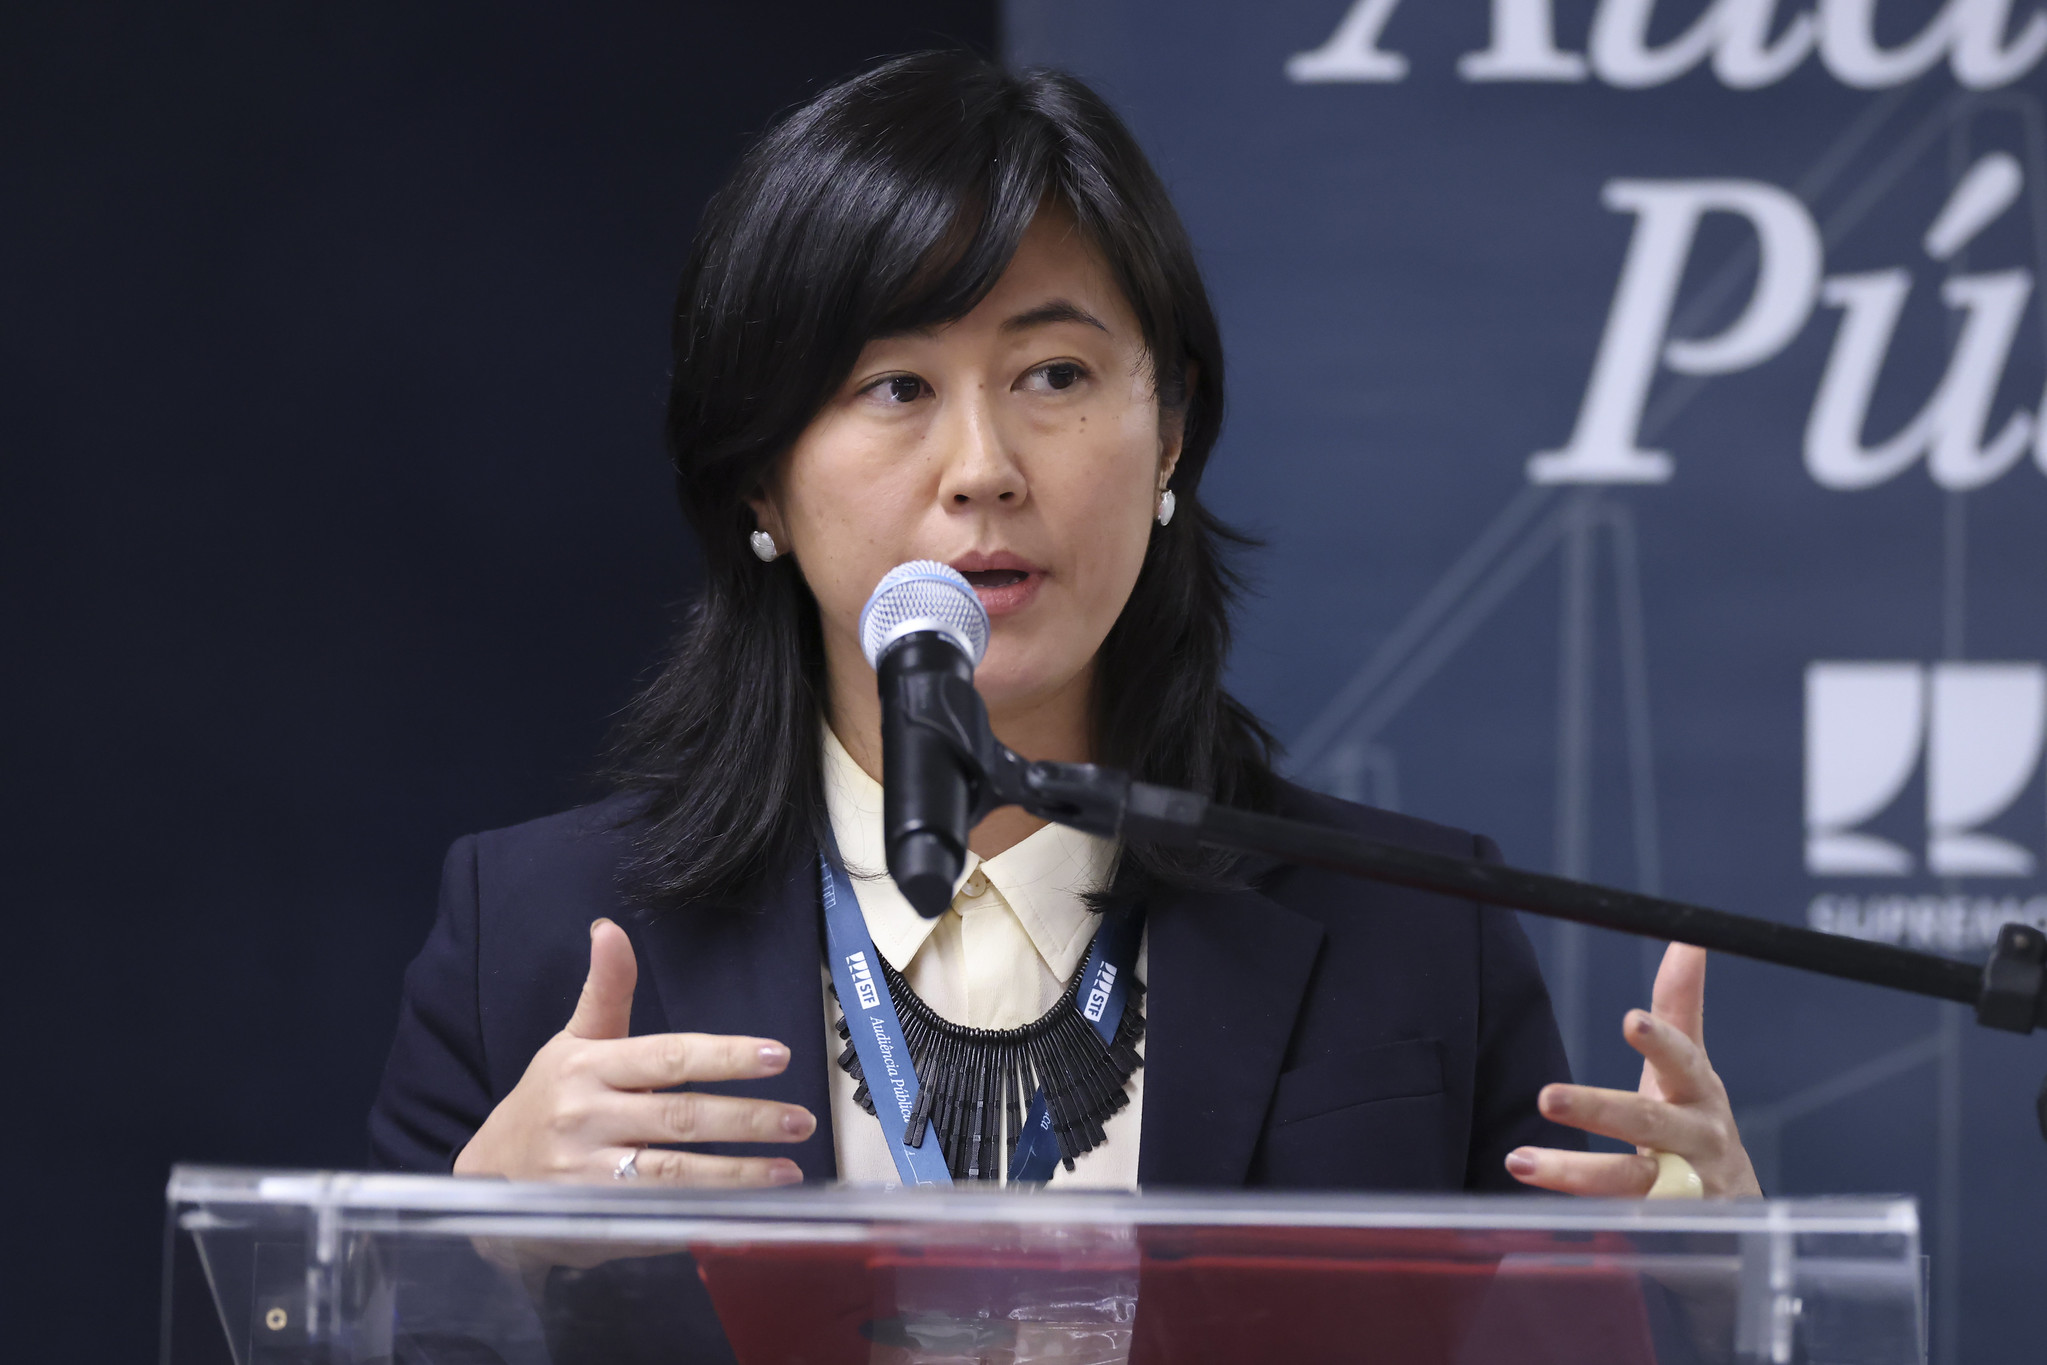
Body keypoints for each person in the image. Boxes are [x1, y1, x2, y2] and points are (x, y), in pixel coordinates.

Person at [369, 52, 1759, 1209]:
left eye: (1053, 373)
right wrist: (474, 1241)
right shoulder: (533, 937)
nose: (983, 469)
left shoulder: (1418, 933)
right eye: (895, 386)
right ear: (760, 483)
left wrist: (1703, 1289)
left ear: (1171, 433)